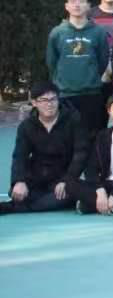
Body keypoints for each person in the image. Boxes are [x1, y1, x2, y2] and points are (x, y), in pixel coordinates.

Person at [0, 82, 87, 214]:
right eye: (44, 100)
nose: (49, 104)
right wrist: (19, 181)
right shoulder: (26, 126)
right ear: (34, 103)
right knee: (16, 192)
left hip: (62, 178)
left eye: (53, 99)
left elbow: (80, 154)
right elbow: (20, 156)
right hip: (36, 177)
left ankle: (12, 207)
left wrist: (67, 180)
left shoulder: (73, 120)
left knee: (69, 193)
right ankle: (39, 202)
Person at [46, 0, 110, 135]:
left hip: (92, 93)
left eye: (81, 1)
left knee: (93, 135)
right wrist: (60, 82)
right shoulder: (57, 32)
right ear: (66, 6)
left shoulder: (98, 32)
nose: (77, 5)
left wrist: (91, 76)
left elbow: (103, 60)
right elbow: (52, 62)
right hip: (65, 94)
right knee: (66, 136)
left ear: (88, 6)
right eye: (73, 2)